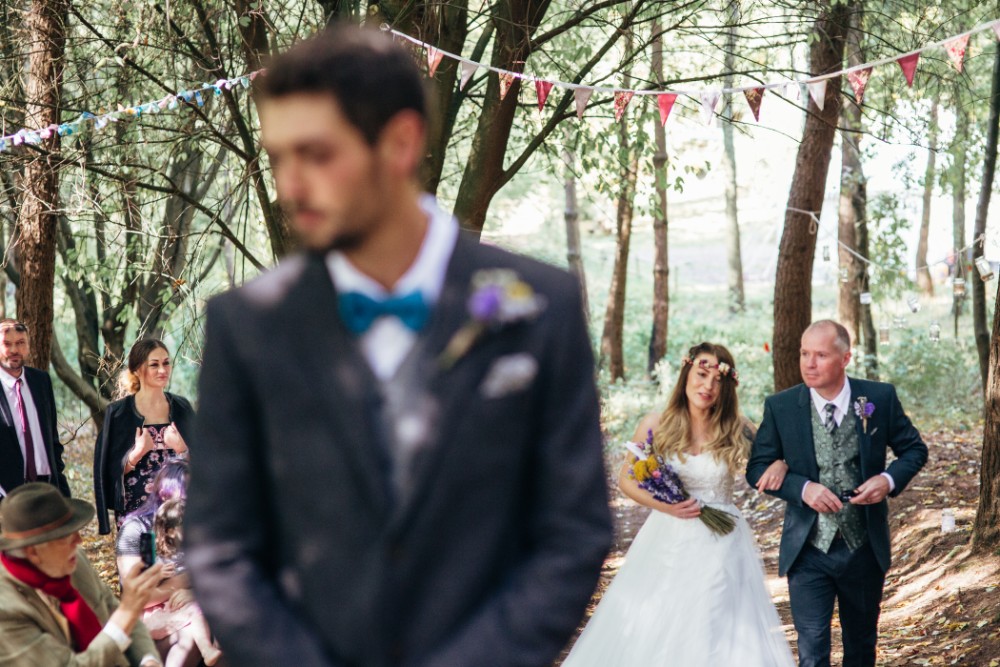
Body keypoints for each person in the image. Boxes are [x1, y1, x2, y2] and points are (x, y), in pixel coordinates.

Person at [184, 24, 612, 667]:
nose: (289, 186)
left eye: (316, 154)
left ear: (401, 143)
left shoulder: (540, 308)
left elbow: (572, 534)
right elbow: (220, 550)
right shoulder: (247, 326)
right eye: (279, 157)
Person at [562, 343, 795, 666]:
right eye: (701, 375)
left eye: (717, 381)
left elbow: (773, 459)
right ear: (686, 374)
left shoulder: (737, 426)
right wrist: (666, 506)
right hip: (668, 535)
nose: (708, 386)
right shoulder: (656, 424)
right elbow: (626, 480)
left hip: (722, 541)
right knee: (659, 617)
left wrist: (780, 464)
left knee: (713, 614)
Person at [747, 320, 928, 667]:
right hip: (808, 548)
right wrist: (801, 487)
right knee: (812, 652)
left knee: (861, 647)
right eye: (804, 353)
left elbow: (914, 450)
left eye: (820, 355)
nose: (808, 363)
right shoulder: (781, 407)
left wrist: (887, 480)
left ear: (845, 358)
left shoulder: (878, 398)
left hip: (863, 546)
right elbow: (757, 468)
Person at [0, 482, 164, 666]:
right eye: (65, 537)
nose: (79, 541)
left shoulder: (74, 561)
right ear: (33, 552)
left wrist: (148, 659)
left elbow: (114, 611)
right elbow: (123, 617)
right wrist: (128, 611)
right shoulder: (6, 610)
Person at [116, 461, 220, 667]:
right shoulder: (141, 530)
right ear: (164, 494)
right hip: (151, 618)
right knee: (192, 635)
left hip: (193, 609)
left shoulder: (200, 526)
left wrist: (195, 592)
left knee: (203, 631)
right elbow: (138, 594)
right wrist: (185, 581)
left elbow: (221, 577)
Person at [93, 339, 196, 535]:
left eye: (166, 363)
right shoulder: (118, 413)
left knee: (175, 566)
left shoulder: (182, 408)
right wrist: (136, 455)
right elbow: (105, 471)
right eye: (154, 364)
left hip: (178, 512)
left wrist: (182, 449)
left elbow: (205, 463)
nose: (162, 370)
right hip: (134, 514)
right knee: (138, 566)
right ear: (138, 370)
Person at [0, 319, 70, 499]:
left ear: (29, 346)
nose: (14, 350)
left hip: (47, 487)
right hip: (9, 494)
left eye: (20, 343)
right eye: (7, 344)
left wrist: (63, 493)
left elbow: (53, 442)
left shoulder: (41, 381)